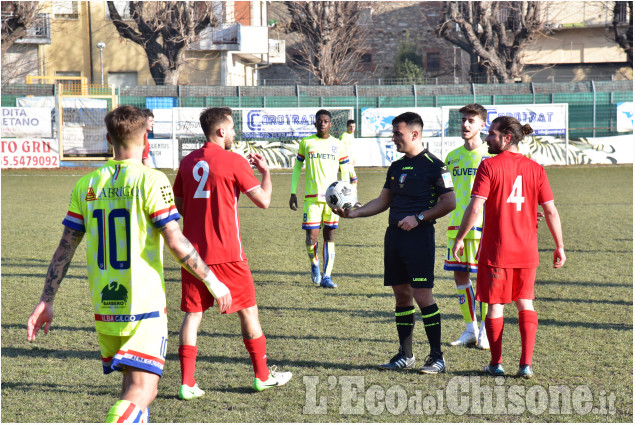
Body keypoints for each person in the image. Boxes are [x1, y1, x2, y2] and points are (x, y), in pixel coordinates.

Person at [26, 105, 232, 423]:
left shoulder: (88, 185)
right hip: (143, 306)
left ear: (109, 138)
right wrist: (213, 281)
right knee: (143, 391)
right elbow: (176, 242)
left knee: (131, 388)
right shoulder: (151, 180)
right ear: (145, 137)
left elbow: (65, 247)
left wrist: (46, 299)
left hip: (106, 307)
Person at [173, 107, 292, 399]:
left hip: (192, 255)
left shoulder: (187, 162)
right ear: (221, 131)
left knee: (192, 317)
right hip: (228, 253)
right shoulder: (234, 161)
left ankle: (188, 383)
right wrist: (266, 173)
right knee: (248, 312)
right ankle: (262, 376)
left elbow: (180, 204)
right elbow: (263, 201)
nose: (235, 133)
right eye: (232, 128)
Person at [334, 112, 455, 374]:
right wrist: (354, 212)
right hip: (394, 238)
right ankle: (405, 354)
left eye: (397, 133)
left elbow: (449, 203)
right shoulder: (397, 167)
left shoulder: (435, 166)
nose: (393, 138)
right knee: (401, 296)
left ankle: (437, 357)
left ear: (414, 134)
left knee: (423, 296)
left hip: (419, 238)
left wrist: (419, 218)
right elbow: (383, 201)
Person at [452, 116, 566, 379]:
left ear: (507, 137)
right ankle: (526, 365)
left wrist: (460, 237)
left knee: (495, 306)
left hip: (496, 251)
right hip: (527, 251)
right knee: (526, 304)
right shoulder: (536, 168)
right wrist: (559, 245)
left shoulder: (489, 166)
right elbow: (549, 210)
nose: (488, 139)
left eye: (492, 134)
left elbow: (476, 206)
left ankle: (497, 363)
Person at [443, 103, 491, 349]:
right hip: (456, 227)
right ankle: (470, 328)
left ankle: (485, 330)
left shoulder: (490, 155)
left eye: (471, 120)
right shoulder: (452, 157)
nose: (465, 124)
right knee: (460, 276)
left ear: (483, 124)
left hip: (485, 227)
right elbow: (444, 191)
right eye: (463, 119)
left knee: (485, 279)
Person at [289, 109, 353, 288]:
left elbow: (345, 169)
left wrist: (346, 196)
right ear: (315, 123)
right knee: (311, 238)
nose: (323, 123)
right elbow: (297, 168)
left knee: (330, 235)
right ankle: (315, 263)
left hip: (333, 199)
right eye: (320, 121)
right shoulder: (307, 142)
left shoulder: (338, 144)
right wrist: (293, 192)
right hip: (311, 198)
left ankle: (327, 276)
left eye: (326, 121)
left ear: (330, 124)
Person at [340, 119, 362, 207]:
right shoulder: (344, 136)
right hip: (344, 163)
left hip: (349, 163)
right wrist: (340, 162)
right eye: (350, 126)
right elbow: (340, 148)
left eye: (354, 126)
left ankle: (353, 200)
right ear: (347, 127)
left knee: (353, 180)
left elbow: (350, 149)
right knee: (346, 183)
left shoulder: (351, 135)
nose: (352, 128)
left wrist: (353, 158)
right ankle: (348, 202)